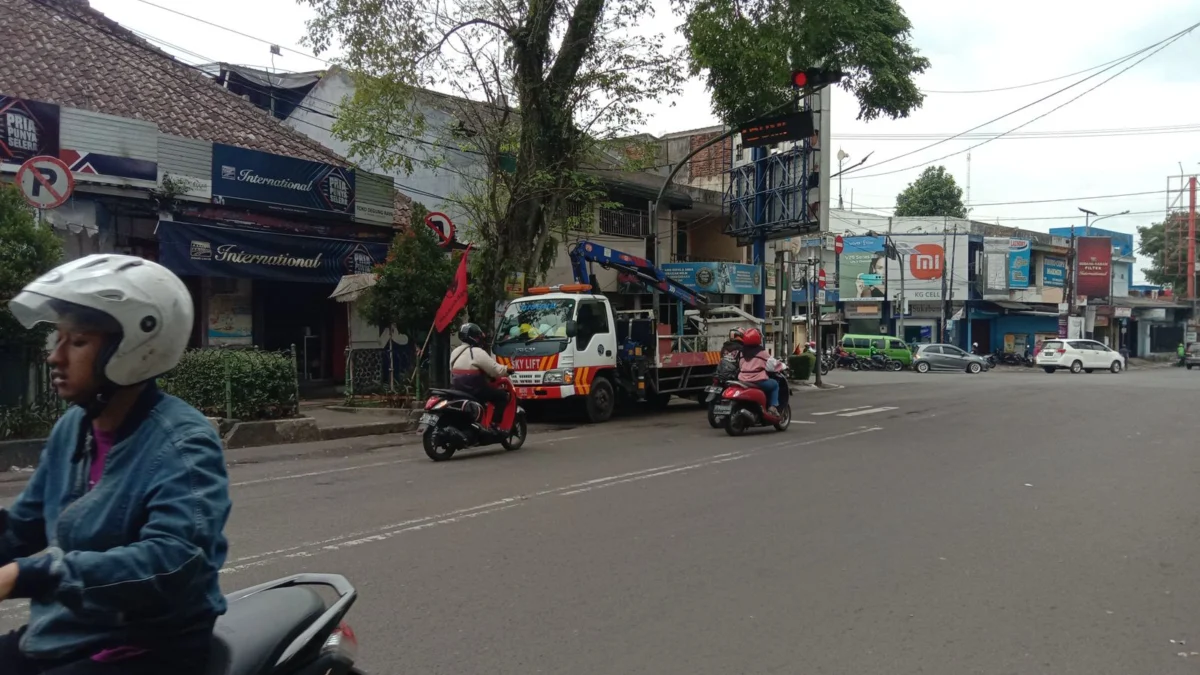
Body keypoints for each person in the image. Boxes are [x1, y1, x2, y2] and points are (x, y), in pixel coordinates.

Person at [0, 254, 230, 675]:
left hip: (145, 648)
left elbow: (175, 559)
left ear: (134, 348)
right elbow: (24, 528)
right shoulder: (74, 426)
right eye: (59, 338)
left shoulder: (184, 441)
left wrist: (34, 574)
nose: (56, 356)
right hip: (66, 633)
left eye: (79, 341)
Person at [451, 323, 513, 428]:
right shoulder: (478, 352)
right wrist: (507, 369)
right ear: (474, 337)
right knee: (502, 396)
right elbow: (495, 370)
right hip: (475, 390)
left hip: (458, 389)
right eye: (477, 337)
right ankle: (495, 426)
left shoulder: (455, 352)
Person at [736, 328, 780, 416]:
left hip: (743, 381)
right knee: (775, 384)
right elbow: (773, 365)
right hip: (758, 381)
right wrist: (783, 366)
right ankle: (773, 407)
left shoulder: (741, 352)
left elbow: (740, 366)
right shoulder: (762, 352)